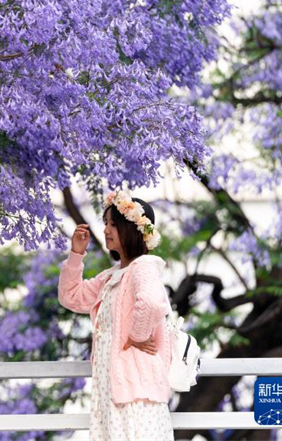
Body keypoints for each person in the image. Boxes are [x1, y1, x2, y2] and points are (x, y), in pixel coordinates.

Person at [58, 189, 175, 441]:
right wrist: (76, 255)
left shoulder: (143, 267)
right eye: (106, 223)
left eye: (114, 224)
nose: (106, 230)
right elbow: (70, 296)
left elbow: (153, 302)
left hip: (135, 392)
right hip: (112, 391)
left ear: (132, 230)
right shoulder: (111, 276)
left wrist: (136, 335)